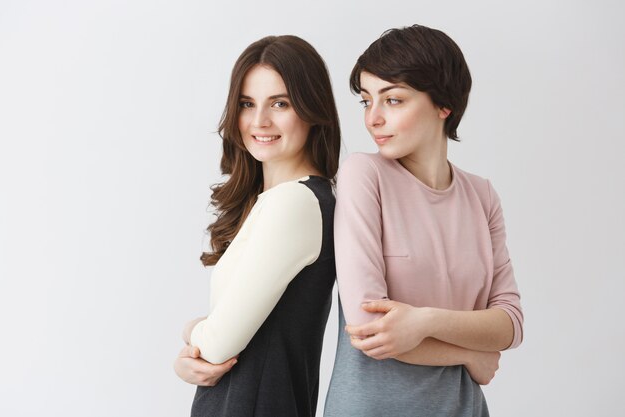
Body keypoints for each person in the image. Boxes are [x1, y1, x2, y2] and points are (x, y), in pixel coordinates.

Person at [324, 24, 523, 417]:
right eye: (366, 102)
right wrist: (470, 354)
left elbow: (511, 324)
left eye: (393, 100)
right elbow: (369, 329)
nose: (373, 119)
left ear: (443, 104)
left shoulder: (482, 196)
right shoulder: (364, 176)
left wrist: (422, 320)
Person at [173, 35, 340, 417]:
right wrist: (192, 358)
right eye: (247, 104)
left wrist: (191, 331)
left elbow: (217, 344)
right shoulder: (278, 202)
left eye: (280, 103)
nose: (259, 121)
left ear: (313, 110)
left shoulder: (295, 202)